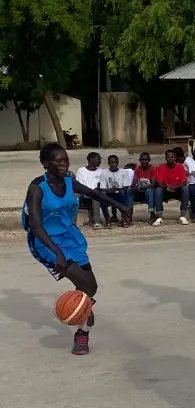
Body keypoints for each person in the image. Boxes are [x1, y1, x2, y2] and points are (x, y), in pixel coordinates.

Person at [22, 143, 132, 355]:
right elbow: (35, 226)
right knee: (82, 282)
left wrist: (120, 206)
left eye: (66, 160)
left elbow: (94, 194)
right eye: (59, 160)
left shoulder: (69, 182)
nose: (64, 164)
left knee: (92, 286)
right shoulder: (37, 187)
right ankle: (81, 335)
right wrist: (57, 253)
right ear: (46, 164)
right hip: (46, 242)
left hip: (70, 238)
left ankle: (83, 306)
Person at [155, 149, 191, 224]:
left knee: (185, 189)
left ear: (175, 158)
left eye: (172, 157)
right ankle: (159, 217)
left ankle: (182, 216)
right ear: (165, 158)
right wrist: (167, 187)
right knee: (158, 190)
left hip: (177, 189)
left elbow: (184, 182)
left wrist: (176, 187)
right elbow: (159, 183)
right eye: (168, 157)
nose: (170, 159)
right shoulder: (161, 167)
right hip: (166, 190)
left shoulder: (180, 166)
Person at [100, 154, 134, 226]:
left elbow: (125, 187)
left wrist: (117, 189)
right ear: (108, 163)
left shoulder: (124, 172)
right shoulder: (104, 172)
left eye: (114, 162)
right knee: (102, 195)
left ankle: (124, 218)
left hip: (120, 194)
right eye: (111, 163)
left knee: (124, 193)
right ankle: (107, 219)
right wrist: (108, 190)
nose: (113, 165)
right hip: (109, 193)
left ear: (117, 162)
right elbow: (102, 187)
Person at [75, 152, 105, 230]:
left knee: (96, 195)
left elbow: (102, 184)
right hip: (84, 192)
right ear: (91, 159)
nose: (100, 161)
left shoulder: (101, 171)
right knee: (75, 195)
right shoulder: (81, 171)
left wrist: (96, 189)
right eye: (98, 159)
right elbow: (80, 185)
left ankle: (97, 222)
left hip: (96, 193)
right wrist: (89, 191)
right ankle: (72, 222)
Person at [131, 152, 163, 224]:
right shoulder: (137, 169)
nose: (144, 161)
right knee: (129, 190)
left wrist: (141, 187)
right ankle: (127, 215)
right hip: (139, 193)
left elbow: (153, 184)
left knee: (149, 190)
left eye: (146, 160)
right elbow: (134, 182)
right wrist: (135, 187)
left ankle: (152, 214)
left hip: (149, 193)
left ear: (149, 160)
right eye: (142, 159)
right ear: (139, 160)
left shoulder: (153, 168)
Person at [178, 146, 195, 220]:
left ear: (178, 157)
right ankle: (191, 210)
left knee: (191, 190)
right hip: (191, 184)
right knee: (187, 189)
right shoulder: (180, 164)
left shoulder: (188, 162)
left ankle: (194, 212)